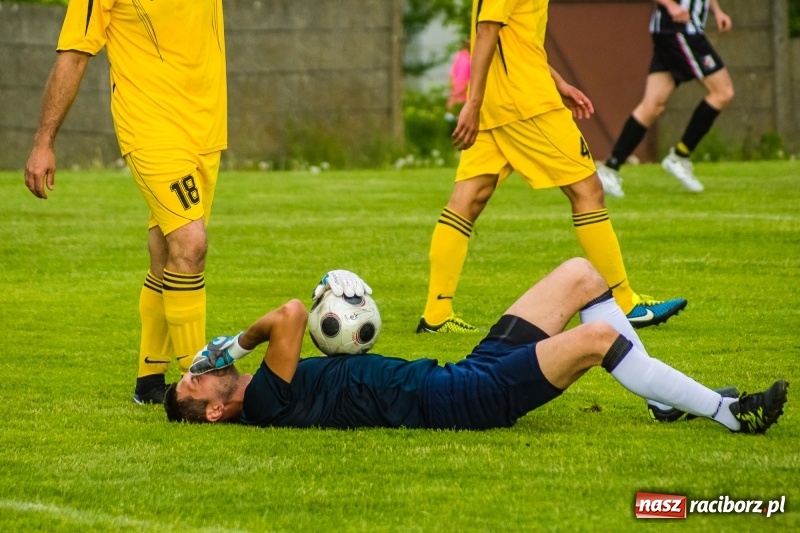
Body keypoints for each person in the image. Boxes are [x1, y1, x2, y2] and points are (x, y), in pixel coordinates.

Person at [164, 263, 788, 435]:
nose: (201, 372)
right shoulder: (267, 400)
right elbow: (292, 314)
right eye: (196, 382)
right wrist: (233, 345)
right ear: (216, 410)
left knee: (580, 274)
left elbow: (299, 319)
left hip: (462, 373)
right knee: (598, 339)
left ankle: (655, 393)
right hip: (465, 401)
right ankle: (729, 412)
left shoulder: (276, 383)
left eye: (194, 371)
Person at [417, 0, 686, 334]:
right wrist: (471, 104)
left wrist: (556, 81)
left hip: (496, 103)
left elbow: (516, 39)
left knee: (468, 200)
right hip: (525, 105)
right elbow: (486, 31)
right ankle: (625, 303)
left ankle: (436, 314)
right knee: (588, 189)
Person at [23, 1, 227, 404]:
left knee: (166, 249)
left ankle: (149, 382)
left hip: (206, 127)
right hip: (150, 126)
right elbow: (74, 54)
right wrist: (43, 142)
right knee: (191, 243)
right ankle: (199, 387)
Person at [596, 0, 735, 196]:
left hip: (677, 31)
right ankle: (680, 156)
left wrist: (717, 11)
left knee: (653, 106)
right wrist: (670, 5)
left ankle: (610, 169)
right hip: (679, 30)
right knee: (723, 92)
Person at [445, 39, 472, 120]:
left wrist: (453, 94)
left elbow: (451, 76)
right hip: (462, 97)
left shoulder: (459, 55)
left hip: (456, 95)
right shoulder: (467, 58)